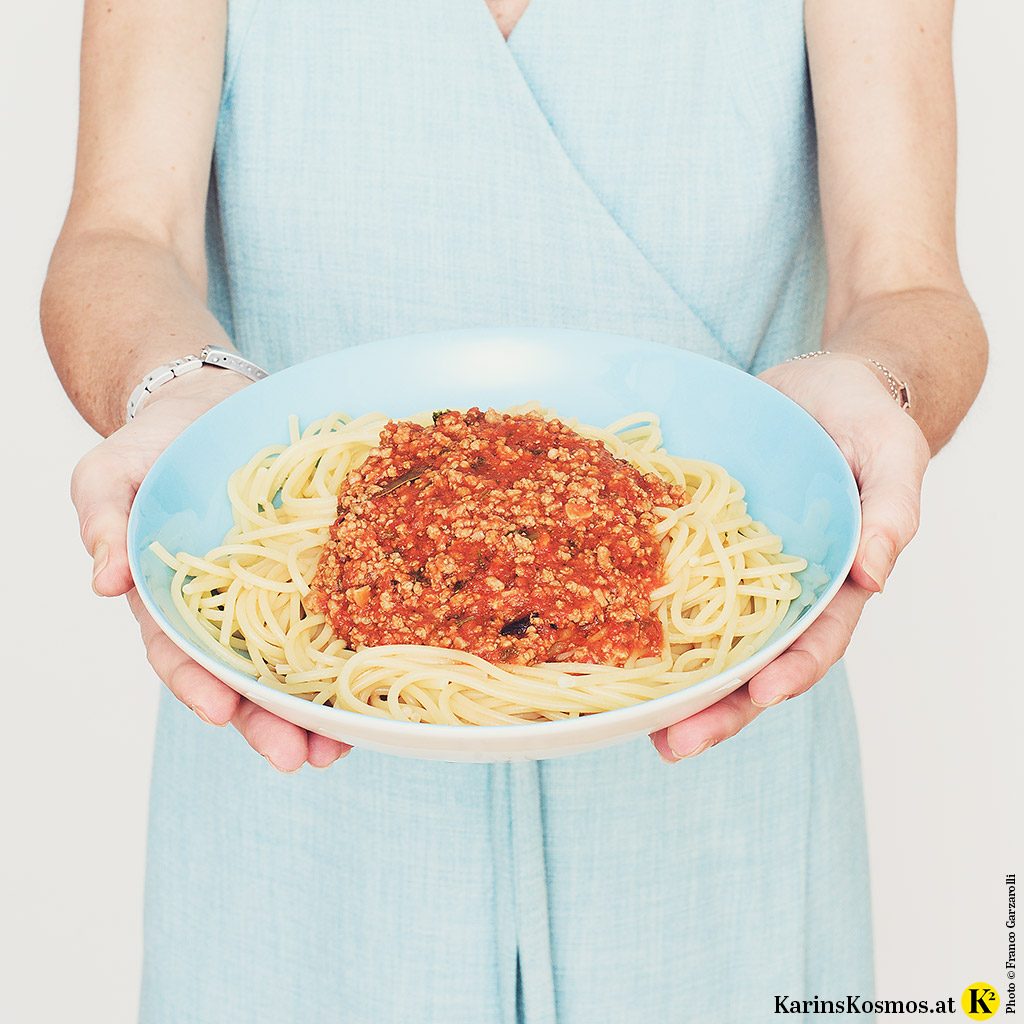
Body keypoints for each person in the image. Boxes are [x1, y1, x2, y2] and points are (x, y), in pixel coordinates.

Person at [41, 1, 986, 1021]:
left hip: (723, 790)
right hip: (290, 796)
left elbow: (907, 285)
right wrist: (173, 384)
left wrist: (876, 380)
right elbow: (122, 234)